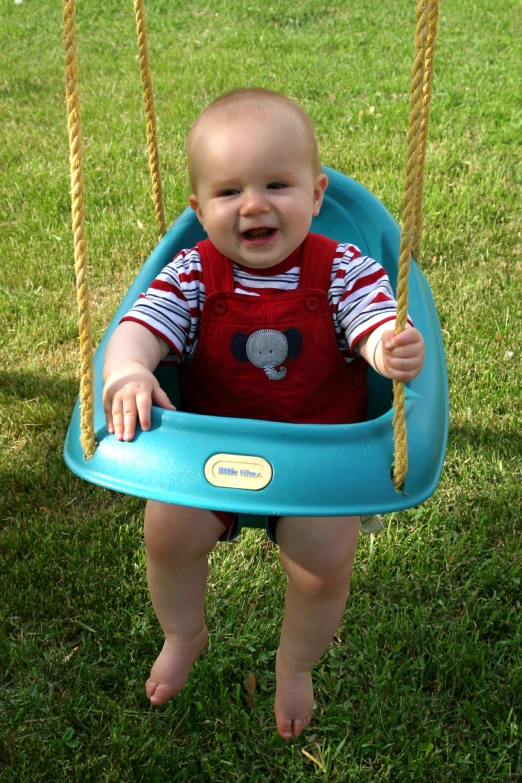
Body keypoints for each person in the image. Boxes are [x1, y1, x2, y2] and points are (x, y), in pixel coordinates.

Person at [102, 88, 425, 739]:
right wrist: (130, 367)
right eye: (228, 193)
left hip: (316, 464)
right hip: (207, 459)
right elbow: (139, 327)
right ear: (198, 209)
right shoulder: (191, 275)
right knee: (166, 529)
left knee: (324, 557)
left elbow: (368, 317)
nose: (253, 204)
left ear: (316, 193)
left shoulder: (343, 269)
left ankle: (296, 662)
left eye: (277, 183)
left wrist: (383, 345)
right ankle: (183, 630)